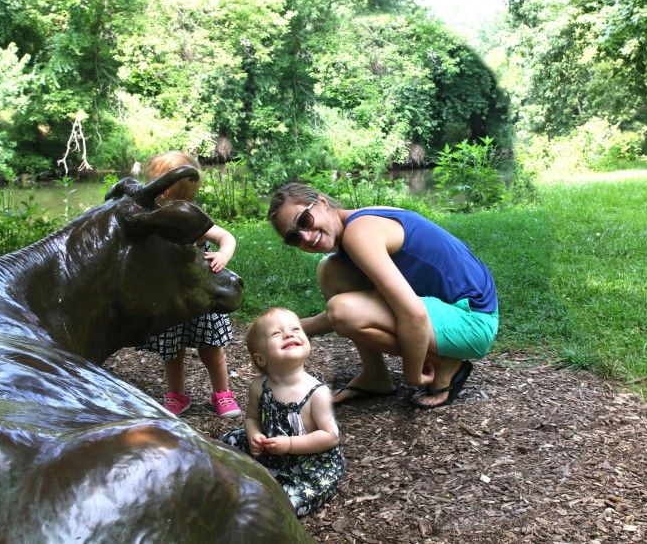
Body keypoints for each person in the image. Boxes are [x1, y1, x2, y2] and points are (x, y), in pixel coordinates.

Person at [267, 183, 498, 409]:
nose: (305, 237)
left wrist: (413, 375)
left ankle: (446, 363)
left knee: (342, 310)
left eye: (303, 221)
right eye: (293, 238)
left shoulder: (359, 234)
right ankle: (374, 374)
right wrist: (288, 330)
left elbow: (413, 314)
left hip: (473, 319)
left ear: (322, 202)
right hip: (450, 307)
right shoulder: (357, 223)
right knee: (330, 270)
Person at [137, 150, 242, 418]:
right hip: (171, 295)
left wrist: (222, 255)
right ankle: (176, 395)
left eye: (159, 183)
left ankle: (222, 393)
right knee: (173, 350)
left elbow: (225, 237)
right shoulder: (151, 215)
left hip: (199, 293)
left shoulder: (190, 216)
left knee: (211, 349)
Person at [220, 307, 345, 517]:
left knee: (289, 500)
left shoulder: (317, 392)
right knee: (226, 443)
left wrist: (289, 444)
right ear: (261, 359)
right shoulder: (259, 386)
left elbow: (330, 437)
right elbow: (251, 418)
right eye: (276, 333)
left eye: (296, 329)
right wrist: (254, 436)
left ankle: (268, 506)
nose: (289, 334)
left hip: (308, 462)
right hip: (270, 449)